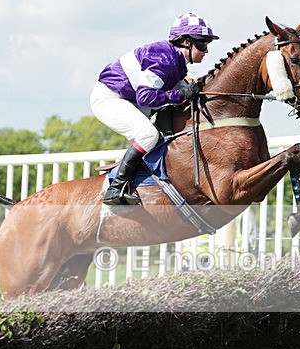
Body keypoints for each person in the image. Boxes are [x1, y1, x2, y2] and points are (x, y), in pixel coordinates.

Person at [91, 13, 219, 205]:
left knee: (164, 127)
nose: (206, 50)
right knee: (148, 136)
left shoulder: (177, 62)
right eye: (202, 44)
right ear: (186, 42)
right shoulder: (164, 58)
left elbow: (173, 92)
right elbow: (146, 97)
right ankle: (115, 188)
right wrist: (182, 94)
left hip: (130, 98)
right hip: (110, 98)